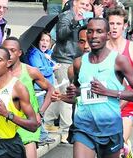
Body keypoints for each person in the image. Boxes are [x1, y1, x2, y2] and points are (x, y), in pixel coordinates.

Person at [66, 17, 133, 158]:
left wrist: (108, 92)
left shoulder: (119, 61)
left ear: (108, 35)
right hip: (84, 127)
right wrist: (73, 92)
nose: (94, 36)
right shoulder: (79, 63)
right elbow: (79, 92)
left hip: (110, 128)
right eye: (90, 32)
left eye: (99, 31)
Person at [2, 37, 54, 158]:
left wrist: (40, 113)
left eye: (12, 50)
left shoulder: (30, 71)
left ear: (19, 52)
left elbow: (50, 89)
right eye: (5, 50)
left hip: (27, 125)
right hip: (5, 125)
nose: (8, 54)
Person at [106, 6, 133, 158]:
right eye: (111, 23)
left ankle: (123, 148)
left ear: (125, 26)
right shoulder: (102, 49)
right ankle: (127, 151)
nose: (114, 27)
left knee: (119, 142)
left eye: (118, 24)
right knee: (107, 145)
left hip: (129, 99)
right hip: (108, 99)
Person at [50, 0, 91, 143]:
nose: (85, 7)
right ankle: (66, 131)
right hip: (64, 60)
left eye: (87, 5)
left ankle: (47, 122)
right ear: (75, 4)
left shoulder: (87, 19)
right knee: (68, 95)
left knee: (62, 95)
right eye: (82, 4)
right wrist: (75, 21)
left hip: (77, 60)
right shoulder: (67, 16)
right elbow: (60, 35)